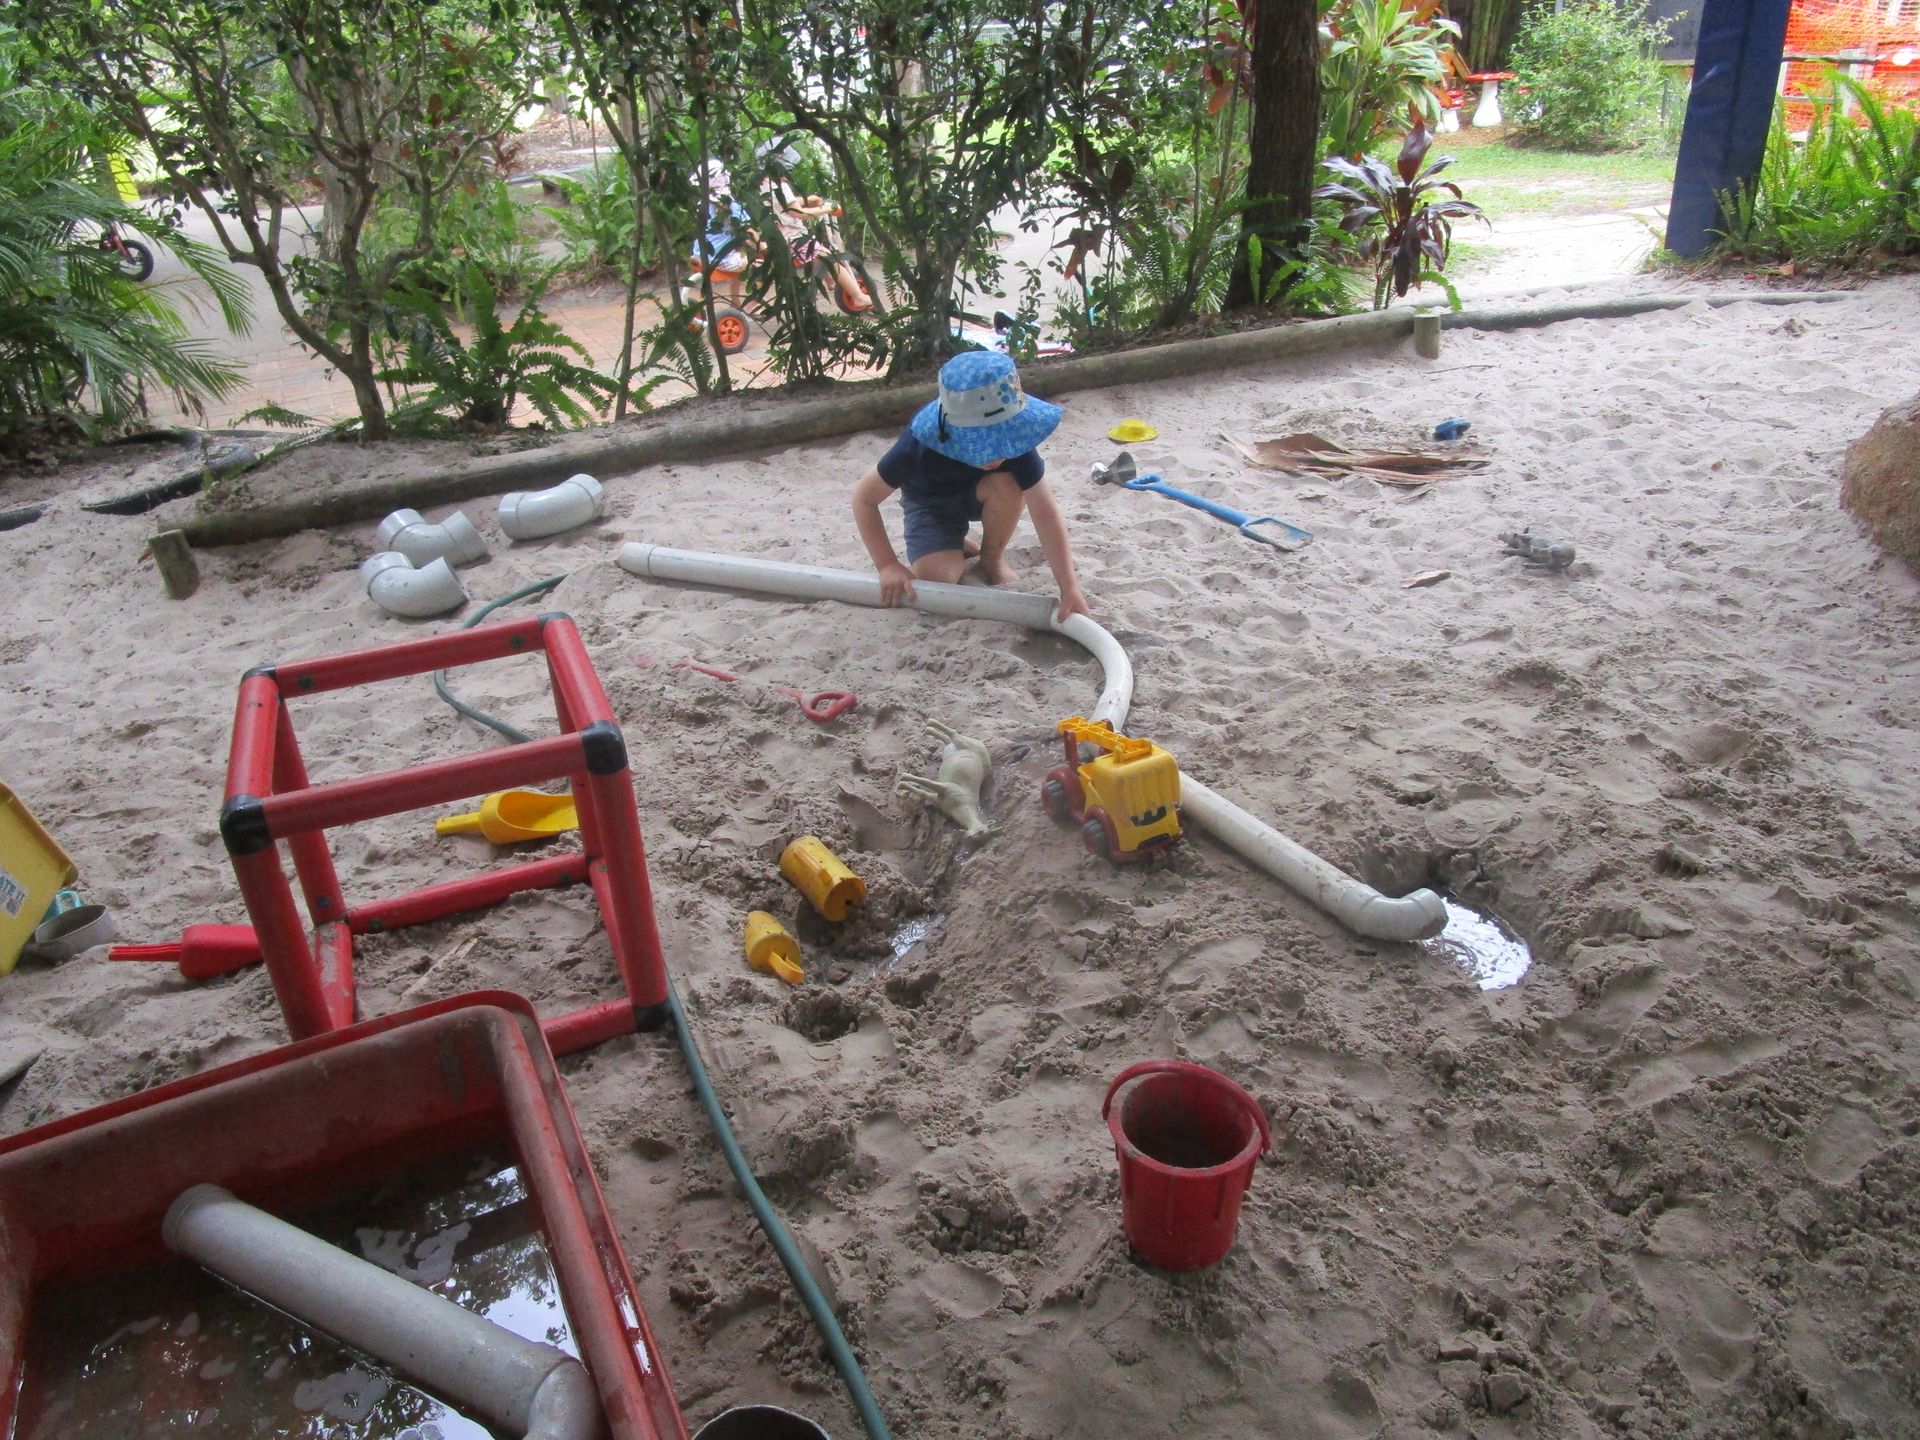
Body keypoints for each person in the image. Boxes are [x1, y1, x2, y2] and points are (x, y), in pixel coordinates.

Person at [851, 351, 1090, 623]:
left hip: (985, 494)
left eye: (1004, 442)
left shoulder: (1017, 446)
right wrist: (887, 565)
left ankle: (991, 560)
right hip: (929, 506)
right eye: (987, 445)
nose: (999, 454)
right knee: (939, 579)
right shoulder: (918, 445)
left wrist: (1069, 587)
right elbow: (863, 499)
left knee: (1010, 483)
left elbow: (1045, 512)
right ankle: (950, 540)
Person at [689, 159, 752, 305]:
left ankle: (707, 300)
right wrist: (762, 245)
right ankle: (735, 301)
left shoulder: (701, 205)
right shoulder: (733, 208)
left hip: (699, 252)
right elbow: (748, 233)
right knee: (742, 254)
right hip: (719, 259)